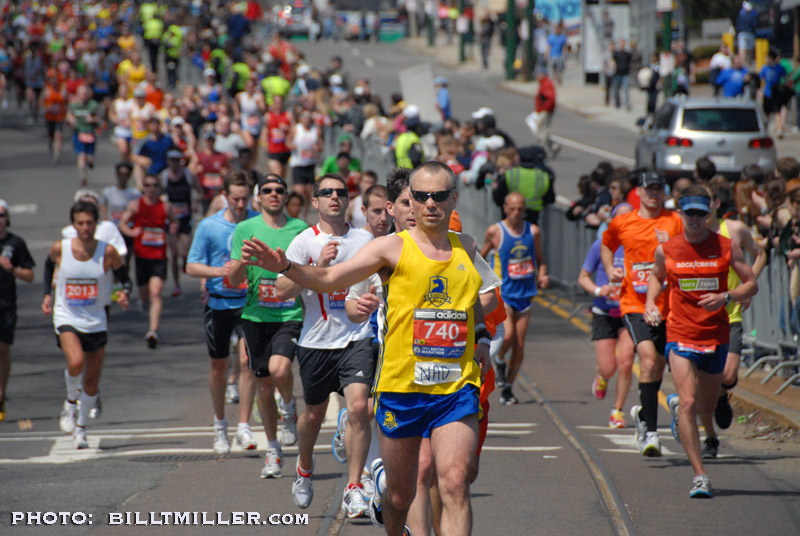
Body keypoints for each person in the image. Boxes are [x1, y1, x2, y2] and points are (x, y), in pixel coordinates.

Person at [241, 161, 490, 536]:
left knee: (454, 482)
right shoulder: (390, 248)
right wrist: (288, 266)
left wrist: (482, 335)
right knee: (401, 494)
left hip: (455, 388)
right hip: (402, 388)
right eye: (421, 197)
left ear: (454, 198)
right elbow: (328, 279)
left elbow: (469, 298)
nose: (430, 204)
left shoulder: (467, 247)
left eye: (439, 196)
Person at [270, 174, 374, 516]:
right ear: (314, 202)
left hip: (356, 337)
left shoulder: (364, 239)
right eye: (326, 193)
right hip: (316, 342)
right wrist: (317, 268)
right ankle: (303, 467)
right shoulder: (304, 242)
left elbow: (378, 279)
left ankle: (354, 486)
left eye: (341, 193)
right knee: (313, 415)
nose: (334, 197)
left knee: (359, 407)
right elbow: (281, 290)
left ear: (348, 201)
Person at [646, 187, 757, 498]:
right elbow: (657, 276)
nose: (694, 219)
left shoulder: (726, 247)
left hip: (715, 335)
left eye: (700, 213)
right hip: (680, 333)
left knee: (705, 407)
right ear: (680, 214)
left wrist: (727, 296)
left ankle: (682, 410)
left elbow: (752, 284)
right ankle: (700, 475)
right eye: (689, 213)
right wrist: (650, 304)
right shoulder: (667, 249)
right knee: (690, 403)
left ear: (709, 215)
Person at [228, 174, 307, 478]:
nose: (274, 194)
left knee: (280, 370)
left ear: (286, 196)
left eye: (280, 190)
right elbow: (235, 279)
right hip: (256, 316)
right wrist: (242, 261)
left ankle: (288, 405)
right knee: (262, 383)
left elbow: (308, 272)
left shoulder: (300, 229)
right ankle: (272, 450)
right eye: (268, 190)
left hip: (290, 315)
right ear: (258, 197)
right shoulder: (245, 229)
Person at [601, 171, 683, 457]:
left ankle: (643, 414)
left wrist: (669, 243)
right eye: (650, 189)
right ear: (639, 191)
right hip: (635, 303)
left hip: (669, 305)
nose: (654, 194)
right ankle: (650, 431)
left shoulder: (675, 222)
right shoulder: (624, 221)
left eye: (659, 189)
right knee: (647, 358)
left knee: (657, 365)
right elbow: (607, 244)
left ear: (664, 193)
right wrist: (611, 268)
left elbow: (689, 253)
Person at [42, 201, 130, 449]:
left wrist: (124, 293)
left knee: (91, 382)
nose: (85, 228)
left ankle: (81, 428)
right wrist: (47, 295)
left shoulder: (108, 252)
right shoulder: (61, 248)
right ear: (73, 224)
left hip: (96, 318)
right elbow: (49, 266)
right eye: (80, 223)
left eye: (89, 223)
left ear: (96, 224)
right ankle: (70, 402)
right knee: (76, 361)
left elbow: (124, 278)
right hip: (66, 314)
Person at [186, 171, 259, 455]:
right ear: (225, 197)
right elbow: (191, 267)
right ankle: (219, 425)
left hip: (249, 302)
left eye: (245, 199)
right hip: (218, 303)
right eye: (235, 199)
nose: (240, 204)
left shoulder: (256, 222)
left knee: (246, 360)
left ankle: (244, 426)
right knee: (219, 367)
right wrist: (220, 272)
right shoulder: (209, 227)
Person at [702, 182, 766, 446]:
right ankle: (709, 435)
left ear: (717, 204)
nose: (701, 210)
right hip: (699, 319)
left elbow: (760, 253)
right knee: (701, 380)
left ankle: (717, 397)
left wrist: (746, 289)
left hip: (731, 314)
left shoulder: (735, 229)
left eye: (707, 202)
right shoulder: (687, 234)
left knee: (728, 376)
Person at [480, 192, 549, 405]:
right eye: (512, 209)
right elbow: (480, 258)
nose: (516, 213)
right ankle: (499, 360)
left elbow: (540, 259)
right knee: (507, 336)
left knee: (519, 345)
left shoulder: (533, 231)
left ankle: (508, 386)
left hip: (525, 294)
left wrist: (542, 275)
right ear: (505, 208)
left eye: (520, 209)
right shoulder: (495, 231)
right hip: (504, 294)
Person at [578, 204, 635, 428]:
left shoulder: (640, 246)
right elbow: (583, 277)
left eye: (628, 219)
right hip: (604, 311)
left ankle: (617, 411)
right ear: (612, 222)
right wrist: (600, 291)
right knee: (609, 366)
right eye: (619, 220)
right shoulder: (600, 245)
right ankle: (602, 376)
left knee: (626, 361)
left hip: (630, 311)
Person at [119, 175, 176, 348]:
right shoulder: (136, 205)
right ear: (143, 187)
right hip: (142, 257)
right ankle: (142, 301)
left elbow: (175, 222)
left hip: (159, 258)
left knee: (155, 293)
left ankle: (153, 331)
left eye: (155, 185)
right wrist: (131, 233)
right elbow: (122, 223)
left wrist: (173, 227)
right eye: (148, 185)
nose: (152, 188)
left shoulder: (166, 206)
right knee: (143, 293)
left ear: (160, 188)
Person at [0, 199, 35, 421]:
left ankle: (1, 394)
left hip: (5, 305)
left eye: (2, 215)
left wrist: (12, 269)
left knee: (3, 350)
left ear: (8, 218)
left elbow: (30, 275)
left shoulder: (16, 243)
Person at [161, 150, 199, 297]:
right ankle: (176, 285)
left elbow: (199, 190)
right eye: (171, 160)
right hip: (171, 219)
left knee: (185, 252)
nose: (174, 163)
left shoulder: (188, 174)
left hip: (185, 217)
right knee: (173, 253)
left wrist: (195, 202)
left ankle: (185, 262)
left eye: (177, 160)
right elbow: (158, 193)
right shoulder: (164, 176)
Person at [67, 84, 100, 186]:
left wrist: (93, 119)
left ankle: (90, 162)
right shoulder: (74, 105)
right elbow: (68, 116)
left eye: (85, 94)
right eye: (81, 94)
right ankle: (83, 176)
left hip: (90, 133)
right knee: (81, 156)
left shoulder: (93, 105)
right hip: (79, 133)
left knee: (89, 157)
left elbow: (99, 119)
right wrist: (71, 120)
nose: (83, 96)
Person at [533, 70, 560, 158]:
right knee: (541, 129)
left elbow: (551, 98)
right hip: (543, 110)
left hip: (545, 111)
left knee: (542, 130)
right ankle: (553, 146)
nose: (536, 77)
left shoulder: (546, 83)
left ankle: (542, 149)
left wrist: (545, 107)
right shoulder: (543, 83)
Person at [613, 38, 632, 111]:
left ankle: (627, 103)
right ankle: (617, 103)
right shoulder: (616, 53)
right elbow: (613, 62)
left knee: (626, 89)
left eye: (623, 42)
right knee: (617, 90)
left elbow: (630, 61)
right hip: (618, 73)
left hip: (625, 73)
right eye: (621, 42)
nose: (622, 44)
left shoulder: (627, 53)